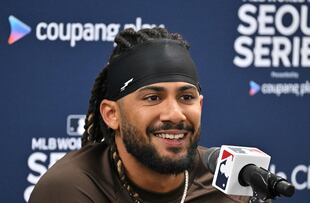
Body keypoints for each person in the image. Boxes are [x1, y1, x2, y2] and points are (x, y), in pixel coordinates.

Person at [29, 28, 251, 203]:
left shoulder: (230, 183)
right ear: (111, 114)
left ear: (200, 105)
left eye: (186, 97)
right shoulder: (72, 189)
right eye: (153, 98)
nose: (175, 114)